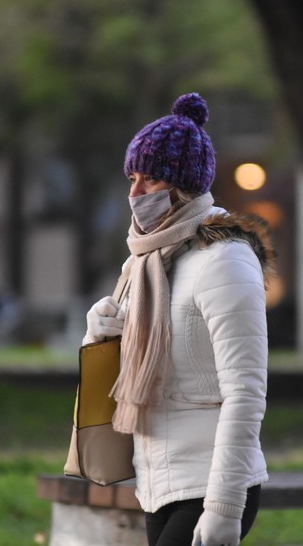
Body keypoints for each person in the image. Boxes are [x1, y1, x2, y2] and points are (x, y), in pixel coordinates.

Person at [83, 93, 274, 546]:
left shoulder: (225, 261)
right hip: (156, 483)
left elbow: (245, 393)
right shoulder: (144, 262)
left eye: (149, 179)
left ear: (182, 184)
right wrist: (98, 335)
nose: (134, 193)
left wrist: (224, 507)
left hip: (211, 483)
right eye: (131, 177)